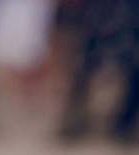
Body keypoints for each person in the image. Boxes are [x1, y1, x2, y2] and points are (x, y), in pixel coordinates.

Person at [59, 0, 139, 143]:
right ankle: (76, 119)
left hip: (127, 17)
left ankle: (124, 125)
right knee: (85, 64)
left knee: (132, 71)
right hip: (102, 16)